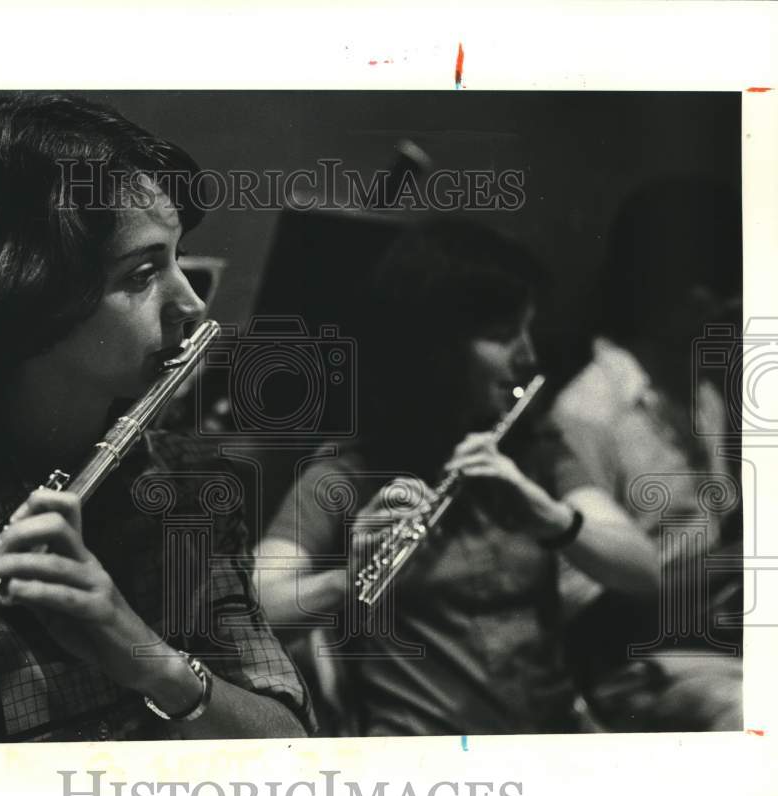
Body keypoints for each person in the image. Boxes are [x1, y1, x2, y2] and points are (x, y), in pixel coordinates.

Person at [0, 93, 312, 744]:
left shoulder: (191, 492)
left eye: (177, 258)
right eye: (144, 271)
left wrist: (146, 658)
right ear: (28, 299)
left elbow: (290, 743)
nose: (192, 304)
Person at [256, 218, 659, 736]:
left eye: (527, 330)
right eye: (501, 335)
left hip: (550, 745)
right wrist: (347, 583)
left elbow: (644, 571)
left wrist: (550, 516)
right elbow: (257, 610)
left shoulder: (533, 453)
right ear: (434, 350)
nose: (528, 356)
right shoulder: (347, 474)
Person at [550, 177, 743, 731]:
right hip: (631, 673)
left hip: (710, 645)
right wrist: (741, 561)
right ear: (678, 297)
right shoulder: (587, 413)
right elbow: (590, 620)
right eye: (727, 307)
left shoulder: (700, 394)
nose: (740, 323)